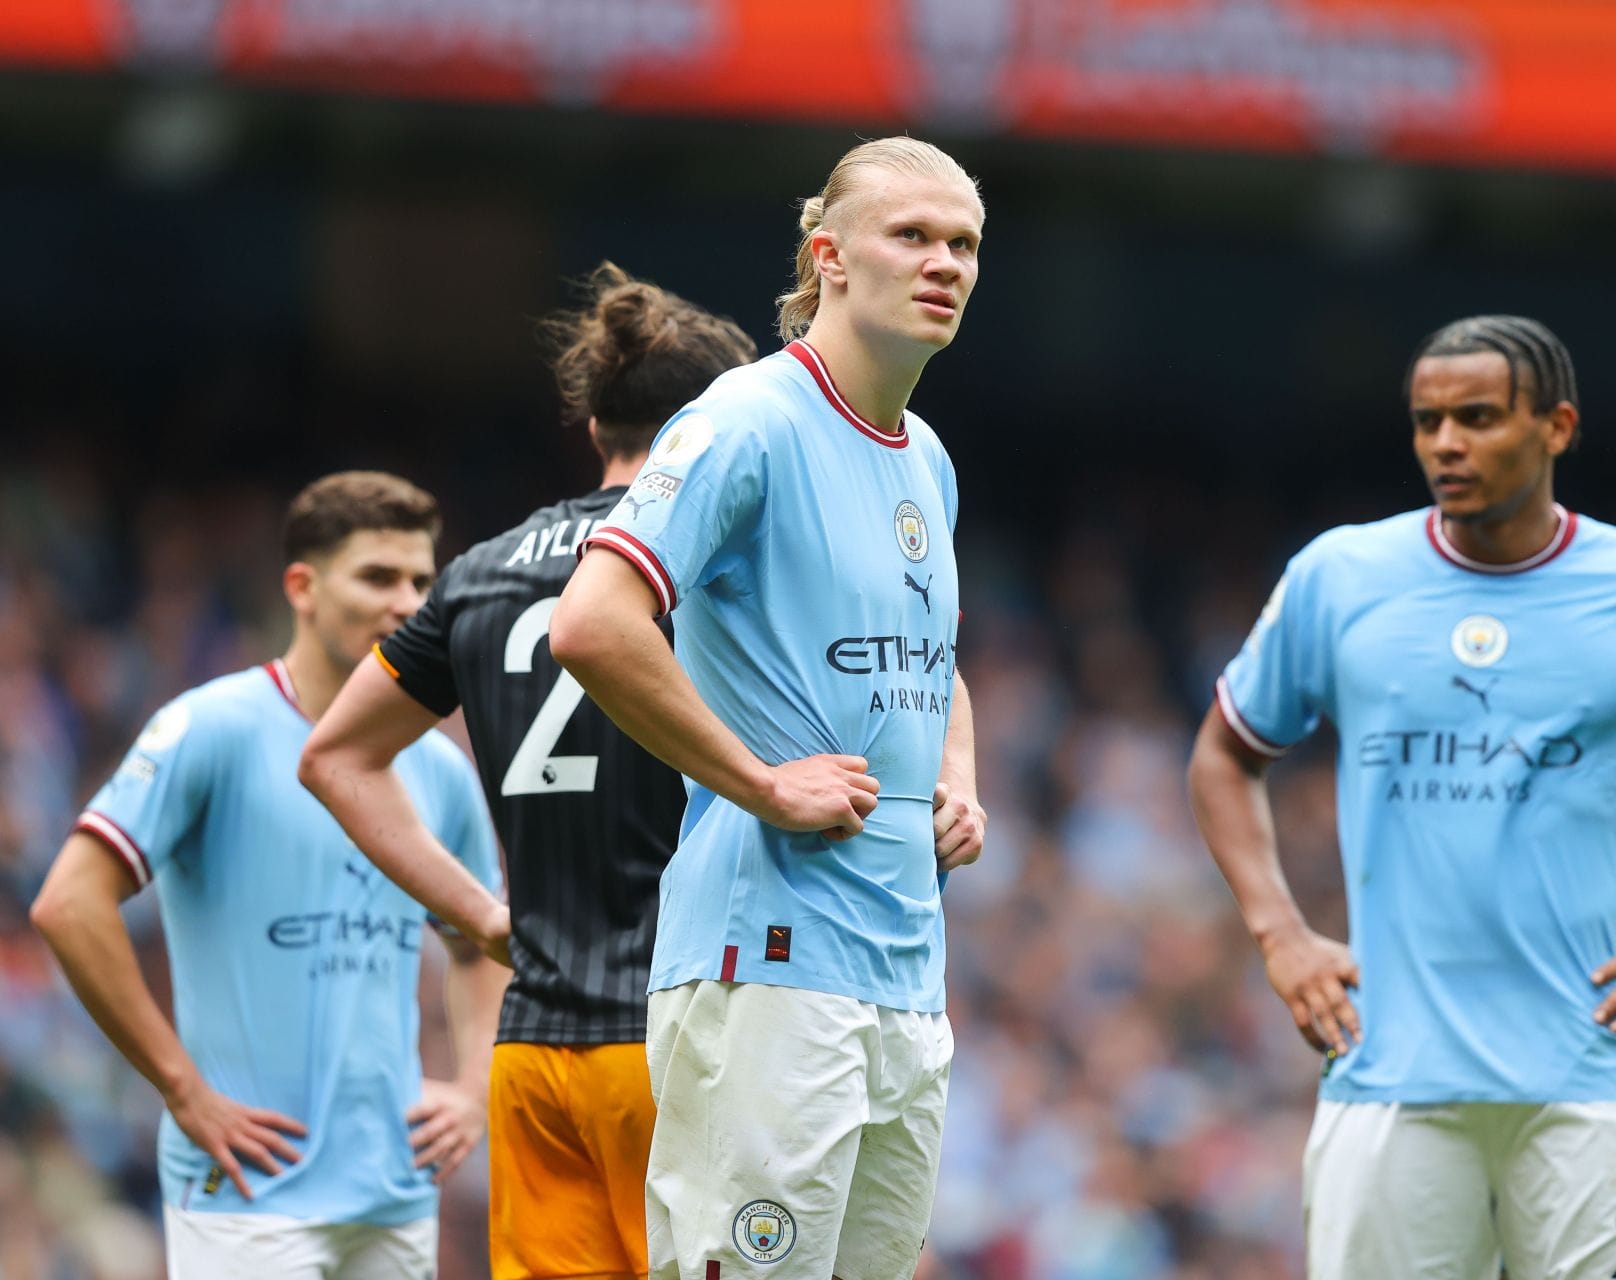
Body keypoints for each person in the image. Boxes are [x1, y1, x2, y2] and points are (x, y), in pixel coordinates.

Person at [1187, 315, 1616, 1279]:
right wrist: (1279, 934)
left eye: (1477, 417)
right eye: (1427, 422)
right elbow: (1222, 756)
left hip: (1590, 1085)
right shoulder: (1340, 579)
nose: (1446, 444)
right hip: (1392, 1080)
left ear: (1557, 426)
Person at [547, 136, 988, 1280]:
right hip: (769, 960)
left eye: (963, 243)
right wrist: (758, 779)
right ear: (829, 256)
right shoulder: (747, 418)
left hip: (901, 970)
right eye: (913, 236)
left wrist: (960, 775)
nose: (943, 262)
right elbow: (593, 621)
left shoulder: (926, 457)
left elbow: (935, 655)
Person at [299, 266, 758, 1280]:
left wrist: (480, 913)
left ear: (598, 427)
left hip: (533, 1053)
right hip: (681, 1043)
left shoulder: (480, 569)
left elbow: (334, 756)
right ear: (713, 433)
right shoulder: (718, 570)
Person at [30, 471, 509, 1279]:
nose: (406, 602)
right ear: (302, 586)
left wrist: (472, 1087)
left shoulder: (437, 767)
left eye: (422, 582)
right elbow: (68, 904)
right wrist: (182, 1089)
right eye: (378, 577)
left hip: (393, 1191)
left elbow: (477, 944)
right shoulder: (210, 729)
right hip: (246, 1191)